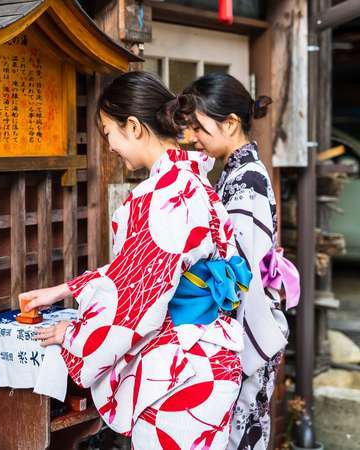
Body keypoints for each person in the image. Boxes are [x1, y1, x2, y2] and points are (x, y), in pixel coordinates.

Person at [20, 71, 250, 449]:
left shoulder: (160, 197)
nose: (109, 146)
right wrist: (64, 289)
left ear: (133, 126)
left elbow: (135, 303)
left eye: (108, 132)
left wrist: (74, 336)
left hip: (183, 373)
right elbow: (138, 273)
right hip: (212, 359)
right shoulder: (194, 182)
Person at [176, 72, 299, 450]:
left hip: (249, 324)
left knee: (238, 436)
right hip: (244, 318)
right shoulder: (236, 172)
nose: (192, 136)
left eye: (199, 127)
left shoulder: (248, 181)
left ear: (230, 123)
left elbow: (236, 271)